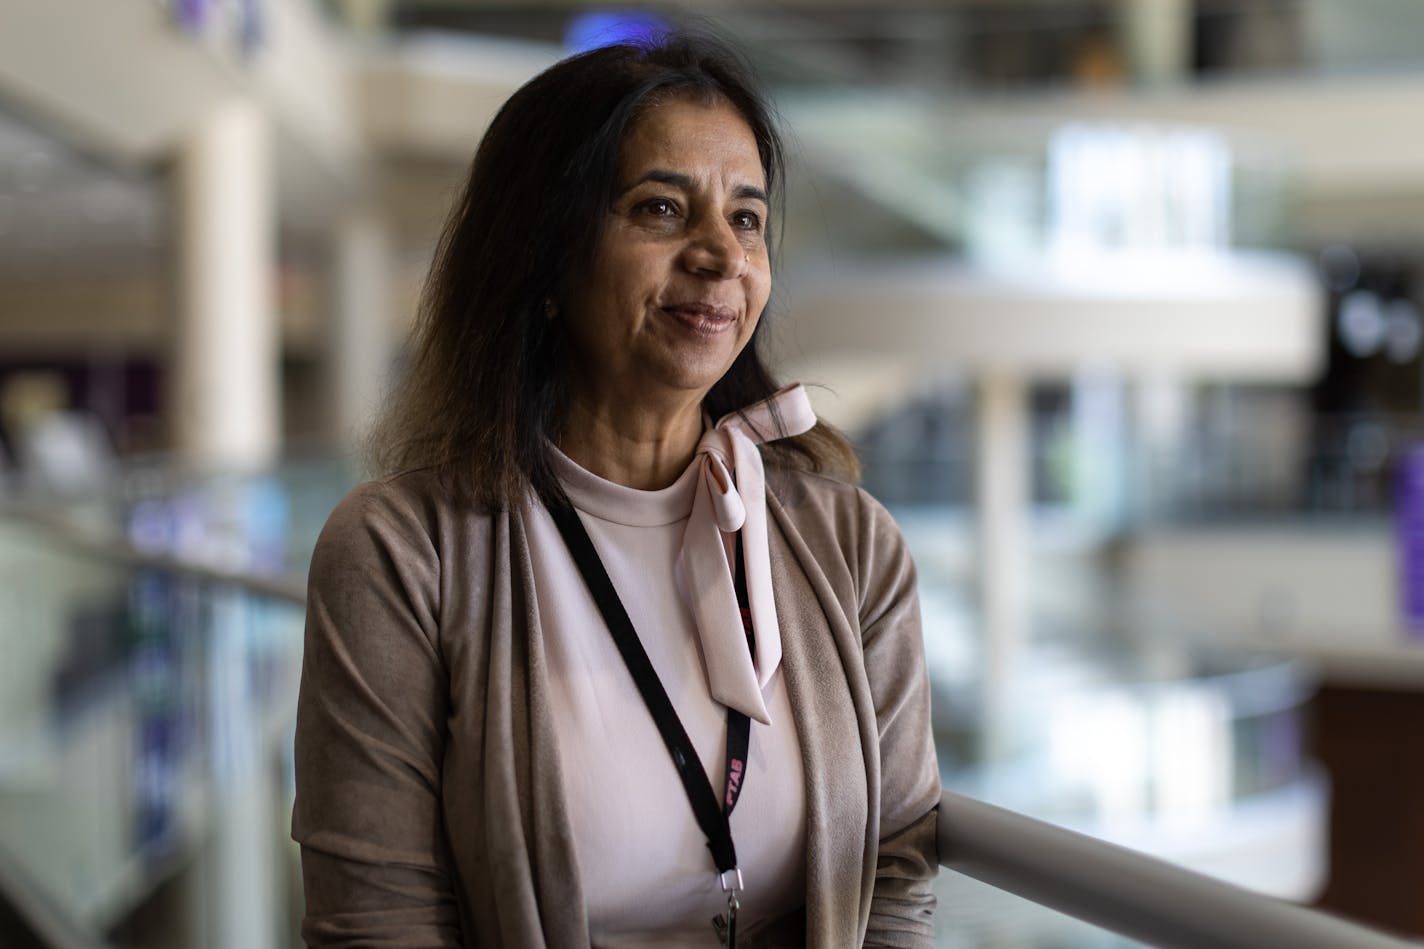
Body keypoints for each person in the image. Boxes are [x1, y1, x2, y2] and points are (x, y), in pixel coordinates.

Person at [292, 31, 940, 949]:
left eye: (747, 218)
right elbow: (376, 925)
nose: (721, 254)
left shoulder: (850, 545)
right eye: (662, 209)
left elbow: (898, 871)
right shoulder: (404, 554)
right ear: (546, 259)